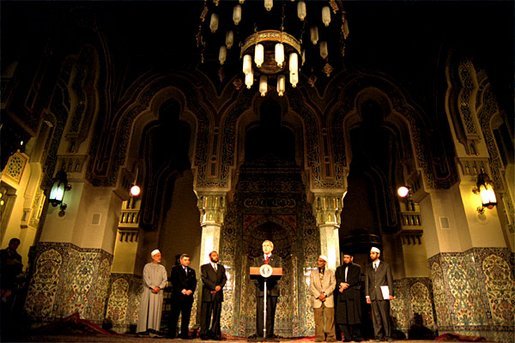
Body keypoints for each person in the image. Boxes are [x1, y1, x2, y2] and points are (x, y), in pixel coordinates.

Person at [251, 240, 282, 340]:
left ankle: (269, 334)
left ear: (272, 248)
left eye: (267, 245)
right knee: (260, 312)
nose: (265, 247)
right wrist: (260, 283)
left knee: (270, 312)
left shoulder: (277, 259)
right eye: (264, 245)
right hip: (261, 289)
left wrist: (268, 281)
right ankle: (260, 334)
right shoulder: (257, 260)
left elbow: (279, 273)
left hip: (272, 289)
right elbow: (254, 275)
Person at [365, 247, 394, 342]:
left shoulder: (385, 265)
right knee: (376, 317)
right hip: (373, 295)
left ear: (378, 254)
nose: (371, 255)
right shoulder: (368, 267)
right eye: (370, 253)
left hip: (383, 294)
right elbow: (367, 282)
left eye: (373, 253)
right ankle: (378, 336)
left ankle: (388, 336)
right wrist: (367, 295)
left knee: (385, 316)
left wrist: (391, 293)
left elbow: (389, 280)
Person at [136, 249, 168, 337]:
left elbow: (165, 280)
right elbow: (146, 278)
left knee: (156, 311)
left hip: (158, 292)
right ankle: (143, 330)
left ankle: (154, 331)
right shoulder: (147, 266)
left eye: (160, 255)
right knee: (146, 309)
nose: (159, 257)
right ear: (153, 257)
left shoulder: (162, 268)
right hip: (148, 291)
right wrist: (153, 287)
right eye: (158, 255)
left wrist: (159, 287)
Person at [335, 253, 363, 342]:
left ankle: (356, 336)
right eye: (344, 257)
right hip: (342, 295)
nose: (345, 259)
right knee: (343, 317)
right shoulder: (339, 269)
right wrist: (340, 284)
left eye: (347, 257)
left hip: (353, 294)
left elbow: (355, 279)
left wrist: (344, 286)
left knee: (354, 316)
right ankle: (347, 337)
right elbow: (337, 278)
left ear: (351, 258)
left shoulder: (357, 267)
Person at [200, 250, 227, 340]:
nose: (216, 257)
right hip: (208, 294)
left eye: (217, 255)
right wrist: (213, 287)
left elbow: (224, 279)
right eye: (214, 255)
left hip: (218, 295)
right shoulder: (204, 267)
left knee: (216, 315)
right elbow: (204, 279)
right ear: (210, 257)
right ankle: (204, 333)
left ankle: (215, 333)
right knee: (206, 314)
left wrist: (219, 287)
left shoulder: (221, 267)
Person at [169, 253, 197, 339]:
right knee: (174, 315)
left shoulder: (192, 271)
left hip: (188, 297)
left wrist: (191, 290)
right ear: (181, 260)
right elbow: (174, 281)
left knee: (186, 316)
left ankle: (184, 334)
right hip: (177, 296)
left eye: (188, 260)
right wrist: (182, 290)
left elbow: (194, 283)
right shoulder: (175, 269)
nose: (187, 261)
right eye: (185, 260)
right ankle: (171, 334)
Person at [310, 255, 337, 342]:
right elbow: (311, 286)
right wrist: (319, 295)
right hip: (317, 299)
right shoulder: (313, 273)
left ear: (325, 263)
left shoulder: (330, 272)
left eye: (321, 261)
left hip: (328, 298)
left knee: (330, 319)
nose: (319, 262)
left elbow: (333, 285)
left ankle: (331, 337)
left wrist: (325, 294)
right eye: (318, 260)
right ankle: (319, 337)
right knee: (318, 320)